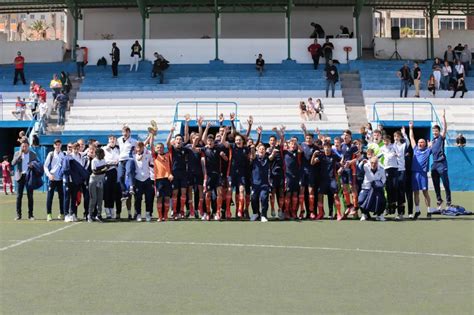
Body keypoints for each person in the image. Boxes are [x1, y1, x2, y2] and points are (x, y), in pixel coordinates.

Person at [408, 121, 434, 219]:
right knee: (416, 192)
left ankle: (429, 211)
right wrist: (411, 128)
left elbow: (436, 141)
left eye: (422, 142)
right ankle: (417, 211)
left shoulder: (428, 150)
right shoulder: (415, 149)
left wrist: (431, 144)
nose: (419, 143)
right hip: (414, 174)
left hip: (423, 174)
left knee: (425, 192)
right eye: (419, 142)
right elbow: (411, 138)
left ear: (425, 144)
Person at [312, 142, 344, 220]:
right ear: (323, 148)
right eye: (325, 147)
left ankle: (339, 213)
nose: (327, 148)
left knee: (335, 195)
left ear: (330, 148)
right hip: (323, 180)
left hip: (332, 179)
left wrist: (340, 168)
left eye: (328, 147)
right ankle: (320, 213)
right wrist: (314, 155)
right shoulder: (321, 156)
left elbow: (342, 162)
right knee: (320, 196)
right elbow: (312, 163)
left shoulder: (334, 156)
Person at [249, 142, 279, 222]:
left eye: (263, 149)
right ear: (257, 150)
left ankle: (263, 215)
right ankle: (255, 213)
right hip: (255, 184)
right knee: (254, 198)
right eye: (260, 149)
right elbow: (253, 154)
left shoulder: (267, 158)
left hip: (264, 184)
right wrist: (252, 148)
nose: (261, 150)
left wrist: (274, 152)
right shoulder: (255, 157)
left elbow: (271, 157)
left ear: (265, 151)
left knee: (264, 198)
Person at [150, 128, 173, 221]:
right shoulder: (155, 156)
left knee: (167, 198)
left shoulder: (168, 155)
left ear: (164, 148)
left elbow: (168, 143)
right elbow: (151, 144)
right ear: (155, 149)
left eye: (161, 147)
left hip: (167, 179)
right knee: (159, 198)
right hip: (158, 180)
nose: (159, 149)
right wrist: (152, 134)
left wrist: (171, 132)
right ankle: (160, 216)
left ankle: (166, 216)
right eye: (157, 148)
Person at [12, 140, 38, 220]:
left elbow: (37, 163)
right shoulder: (17, 153)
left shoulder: (33, 154)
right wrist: (19, 155)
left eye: (26, 146)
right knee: (19, 196)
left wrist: (32, 165)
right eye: (23, 146)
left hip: (29, 176)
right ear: (21, 146)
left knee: (30, 196)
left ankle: (31, 215)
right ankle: (18, 215)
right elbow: (13, 163)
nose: (24, 148)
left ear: (28, 146)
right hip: (20, 176)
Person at [431, 110, 452, 210]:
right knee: (435, 184)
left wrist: (443, 117)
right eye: (433, 131)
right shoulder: (432, 141)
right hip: (434, 165)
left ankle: (448, 201)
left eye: (436, 131)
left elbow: (445, 129)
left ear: (439, 132)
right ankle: (439, 200)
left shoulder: (440, 138)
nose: (434, 132)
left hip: (442, 163)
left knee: (445, 183)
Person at [131, 141, 154, 222]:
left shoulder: (148, 154)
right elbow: (137, 159)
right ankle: (138, 214)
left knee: (148, 198)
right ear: (135, 148)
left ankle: (148, 213)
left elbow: (152, 164)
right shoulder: (133, 156)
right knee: (138, 198)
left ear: (143, 147)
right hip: (138, 179)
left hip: (147, 179)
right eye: (137, 147)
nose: (139, 149)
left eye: (140, 147)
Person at [358, 157, 387, 221]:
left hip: (377, 188)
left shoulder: (382, 169)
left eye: (375, 163)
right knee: (360, 200)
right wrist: (362, 162)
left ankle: (379, 215)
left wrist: (379, 184)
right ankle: (364, 214)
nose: (373, 164)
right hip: (366, 187)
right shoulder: (365, 166)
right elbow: (359, 168)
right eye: (372, 163)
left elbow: (384, 179)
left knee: (383, 201)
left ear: (378, 163)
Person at [44, 139, 65, 221]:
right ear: (54, 145)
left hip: (60, 179)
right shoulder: (51, 154)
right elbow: (45, 166)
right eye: (56, 144)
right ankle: (49, 214)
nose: (58, 146)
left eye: (59, 144)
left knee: (61, 197)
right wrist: (49, 175)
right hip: (52, 179)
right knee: (50, 197)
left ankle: (62, 213)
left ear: (61, 145)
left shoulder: (63, 154)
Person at [88, 147, 108, 223]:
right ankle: (90, 215)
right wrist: (103, 169)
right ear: (97, 154)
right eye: (101, 154)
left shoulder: (103, 160)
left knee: (100, 199)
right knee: (93, 199)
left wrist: (103, 170)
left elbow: (104, 170)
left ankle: (99, 215)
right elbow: (94, 171)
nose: (103, 155)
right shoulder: (94, 161)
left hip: (100, 181)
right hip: (93, 181)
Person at [117, 126, 137, 202]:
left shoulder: (133, 141)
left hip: (129, 158)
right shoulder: (119, 140)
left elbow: (141, 146)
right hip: (121, 160)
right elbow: (112, 145)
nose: (125, 133)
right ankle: (124, 191)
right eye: (123, 132)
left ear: (129, 132)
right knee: (120, 177)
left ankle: (131, 186)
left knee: (129, 171)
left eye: (126, 132)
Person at [103, 135, 121, 219]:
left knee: (115, 192)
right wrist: (113, 163)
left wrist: (115, 163)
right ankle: (107, 210)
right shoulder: (104, 149)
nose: (112, 140)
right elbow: (104, 162)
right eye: (110, 139)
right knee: (107, 192)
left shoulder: (118, 149)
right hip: (107, 172)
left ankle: (112, 209)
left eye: (114, 139)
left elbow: (120, 161)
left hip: (116, 173)